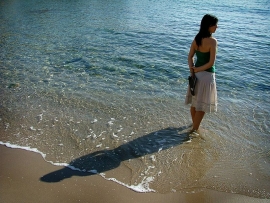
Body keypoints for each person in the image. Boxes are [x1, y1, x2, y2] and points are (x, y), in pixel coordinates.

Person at [185, 14, 218, 136]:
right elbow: (211, 63)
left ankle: (194, 126)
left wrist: (193, 70)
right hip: (207, 76)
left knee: (195, 103)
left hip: (196, 76)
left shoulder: (197, 39)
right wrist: (198, 69)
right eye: (215, 25)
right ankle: (194, 130)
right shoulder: (213, 41)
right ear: (209, 26)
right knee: (202, 106)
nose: (217, 27)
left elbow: (190, 57)